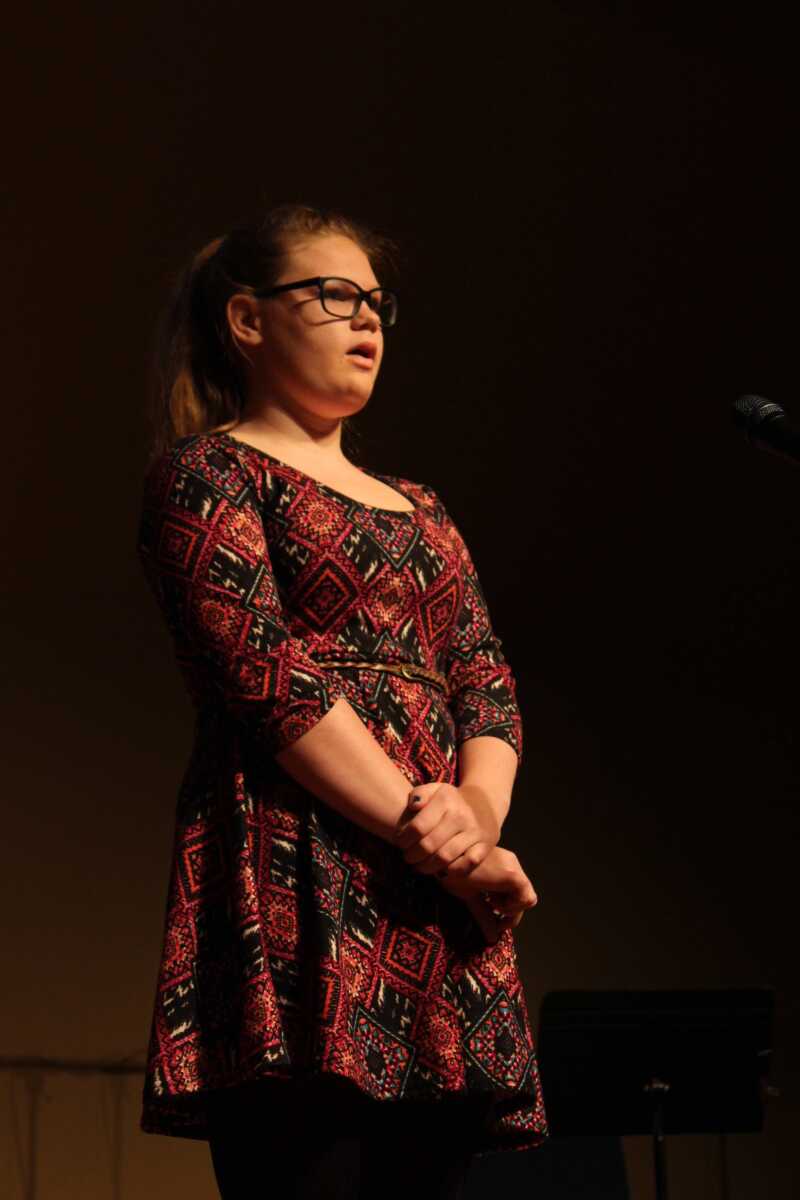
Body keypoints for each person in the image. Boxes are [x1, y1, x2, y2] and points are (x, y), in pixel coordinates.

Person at [136, 202, 548, 1198]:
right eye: (332, 295)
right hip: (296, 872)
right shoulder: (209, 473)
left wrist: (477, 815)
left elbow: (483, 679)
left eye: (375, 302)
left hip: (431, 898)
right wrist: (447, 843)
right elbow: (267, 677)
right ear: (248, 319)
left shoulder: (424, 507)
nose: (366, 318)